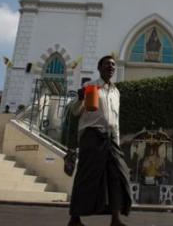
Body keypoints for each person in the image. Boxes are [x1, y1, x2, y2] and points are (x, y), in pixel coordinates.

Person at [68, 55, 132, 226]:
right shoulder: (90, 86)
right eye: (106, 64)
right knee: (86, 175)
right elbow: (75, 111)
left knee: (118, 175)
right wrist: (81, 98)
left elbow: (115, 120)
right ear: (99, 68)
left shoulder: (116, 92)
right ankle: (75, 218)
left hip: (111, 138)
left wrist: (117, 141)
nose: (110, 67)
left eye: (113, 65)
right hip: (92, 136)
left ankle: (115, 218)